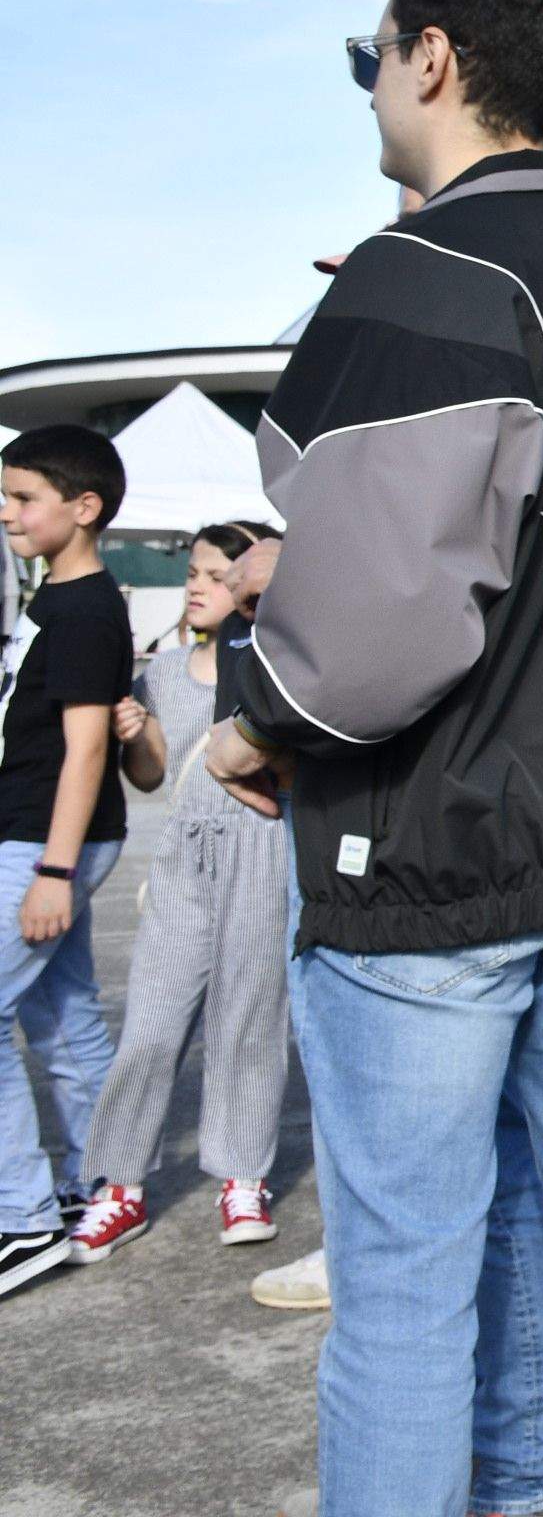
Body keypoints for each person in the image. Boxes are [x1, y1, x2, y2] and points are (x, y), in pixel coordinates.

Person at [200, 0, 543, 1511]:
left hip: (437, 844)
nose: (373, 86)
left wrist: (252, 724)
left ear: (429, 58)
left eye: (374, 57)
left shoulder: (424, 278)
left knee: (403, 1287)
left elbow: (373, 630)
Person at [66, 521, 294, 1265]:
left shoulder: (277, 665)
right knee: (153, 1024)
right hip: (182, 859)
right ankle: (119, 1186)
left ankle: (243, 1176)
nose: (196, 584)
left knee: (248, 1018)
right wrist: (136, 732)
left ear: (250, 586)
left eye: (212, 572)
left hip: (264, 852)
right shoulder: (162, 670)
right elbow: (151, 776)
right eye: (192, 572)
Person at [0, 425, 130, 1302]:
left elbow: (88, 752)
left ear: (82, 510)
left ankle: (25, 1220)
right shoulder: (51, 597)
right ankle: (104, 1184)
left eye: (22, 499)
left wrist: (55, 869)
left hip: (49, 840)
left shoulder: (86, 609)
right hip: (34, 832)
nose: (6, 513)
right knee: (61, 1011)